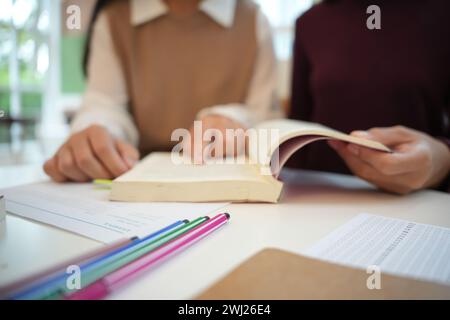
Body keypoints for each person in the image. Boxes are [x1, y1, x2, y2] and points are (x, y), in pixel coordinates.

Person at [44, 0, 279, 182]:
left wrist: (235, 119)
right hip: (133, 185)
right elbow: (105, 104)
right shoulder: (113, 20)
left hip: (233, 184)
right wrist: (96, 132)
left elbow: (267, 115)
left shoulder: (254, 20)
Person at [289, 0, 450, 194]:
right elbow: (298, 123)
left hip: (418, 201)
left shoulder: (442, 14)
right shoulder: (310, 22)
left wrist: (442, 160)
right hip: (322, 195)